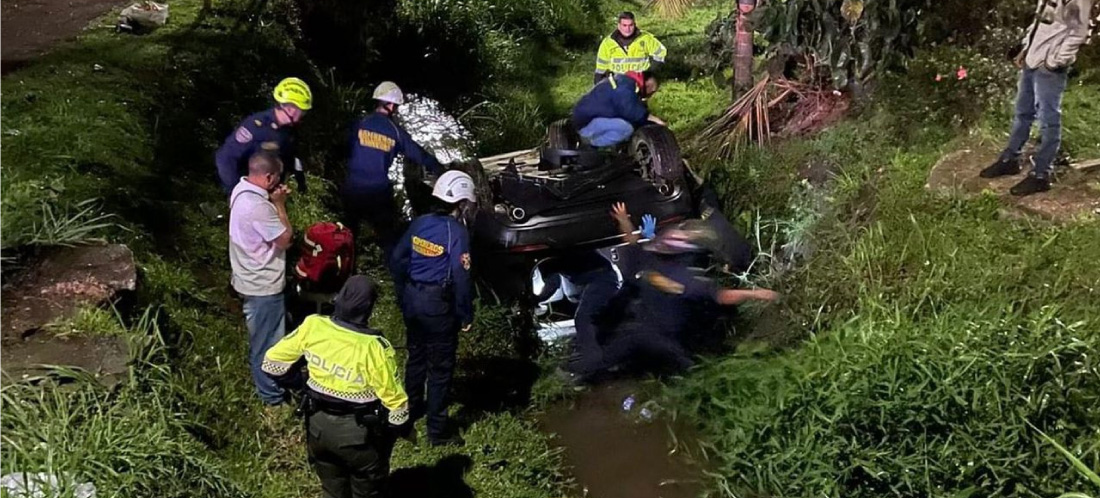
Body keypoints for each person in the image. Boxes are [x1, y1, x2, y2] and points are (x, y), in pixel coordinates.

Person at [262, 276, 412, 498]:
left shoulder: (313, 326)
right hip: (358, 435)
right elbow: (397, 407)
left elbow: (271, 364)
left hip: (317, 427)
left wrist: (301, 385)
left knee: (332, 489)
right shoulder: (375, 348)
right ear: (368, 308)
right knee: (367, 490)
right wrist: (396, 432)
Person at [595, 203, 778, 375]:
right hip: (643, 329)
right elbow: (632, 242)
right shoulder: (651, 258)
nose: (676, 236)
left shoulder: (687, 276)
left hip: (668, 339)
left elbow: (721, 296)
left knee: (681, 363)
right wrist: (624, 220)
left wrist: (758, 294)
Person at [390, 170, 477, 446]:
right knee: (440, 369)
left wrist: (404, 292)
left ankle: (411, 410)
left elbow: (397, 258)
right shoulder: (458, 232)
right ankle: (437, 432)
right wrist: (465, 313)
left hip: (413, 299)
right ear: (461, 202)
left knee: (416, 357)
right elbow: (461, 276)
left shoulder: (420, 223)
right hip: (438, 306)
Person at [979, 0, 1094, 196]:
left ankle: (1041, 174)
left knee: (1048, 119)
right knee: (1023, 112)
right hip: (1032, 60)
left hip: (1049, 67)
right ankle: (1010, 160)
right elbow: (1039, 22)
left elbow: (1078, 33)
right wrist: (1025, 49)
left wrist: (1053, 62)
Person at [343, 81, 445, 265]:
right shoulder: (395, 132)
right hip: (377, 191)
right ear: (391, 105)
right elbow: (419, 155)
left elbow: (344, 148)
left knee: (349, 234)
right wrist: (441, 171)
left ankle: (345, 270)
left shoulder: (360, 124)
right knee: (389, 237)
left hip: (352, 188)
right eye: (396, 105)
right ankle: (394, 273)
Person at [229, 151, 294, 406]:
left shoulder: (240, 189)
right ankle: (272, 398)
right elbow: (285, 239)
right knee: (267, 345)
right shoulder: (259, 207)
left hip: (245, 276)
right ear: (268, 177)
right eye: (277, 178)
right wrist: (279, 204)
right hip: (263, 286)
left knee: (263, 335)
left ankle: (272, 388)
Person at [216, 77, 312, 195]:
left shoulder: (289, 131)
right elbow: (225, 159)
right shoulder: (256, 127)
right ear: (290, 109)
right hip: (248, 192)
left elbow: (288, 157)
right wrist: (237, 192)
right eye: (301, 111)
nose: (303, 115)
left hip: (268, 192)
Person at [571, 70, 665, 148]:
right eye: (651, 87)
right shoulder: (624, 87)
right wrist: (655, 120)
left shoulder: (623, 81)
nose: (651, 91)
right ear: (645, 81)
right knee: (626, 129)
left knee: (624, 125)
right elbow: (630, 111)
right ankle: (591, 144)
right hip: (586, 123)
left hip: (587, 118)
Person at [594, 11, 667, 85]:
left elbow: (661, 53)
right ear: (619, 26)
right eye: (624, 25)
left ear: (635, 25)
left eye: (630, 25)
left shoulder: (645, 39)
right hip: (617, 85)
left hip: (640, 84)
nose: (627, 29)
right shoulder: (608, 43)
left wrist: (650, 72)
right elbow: (600, 69)